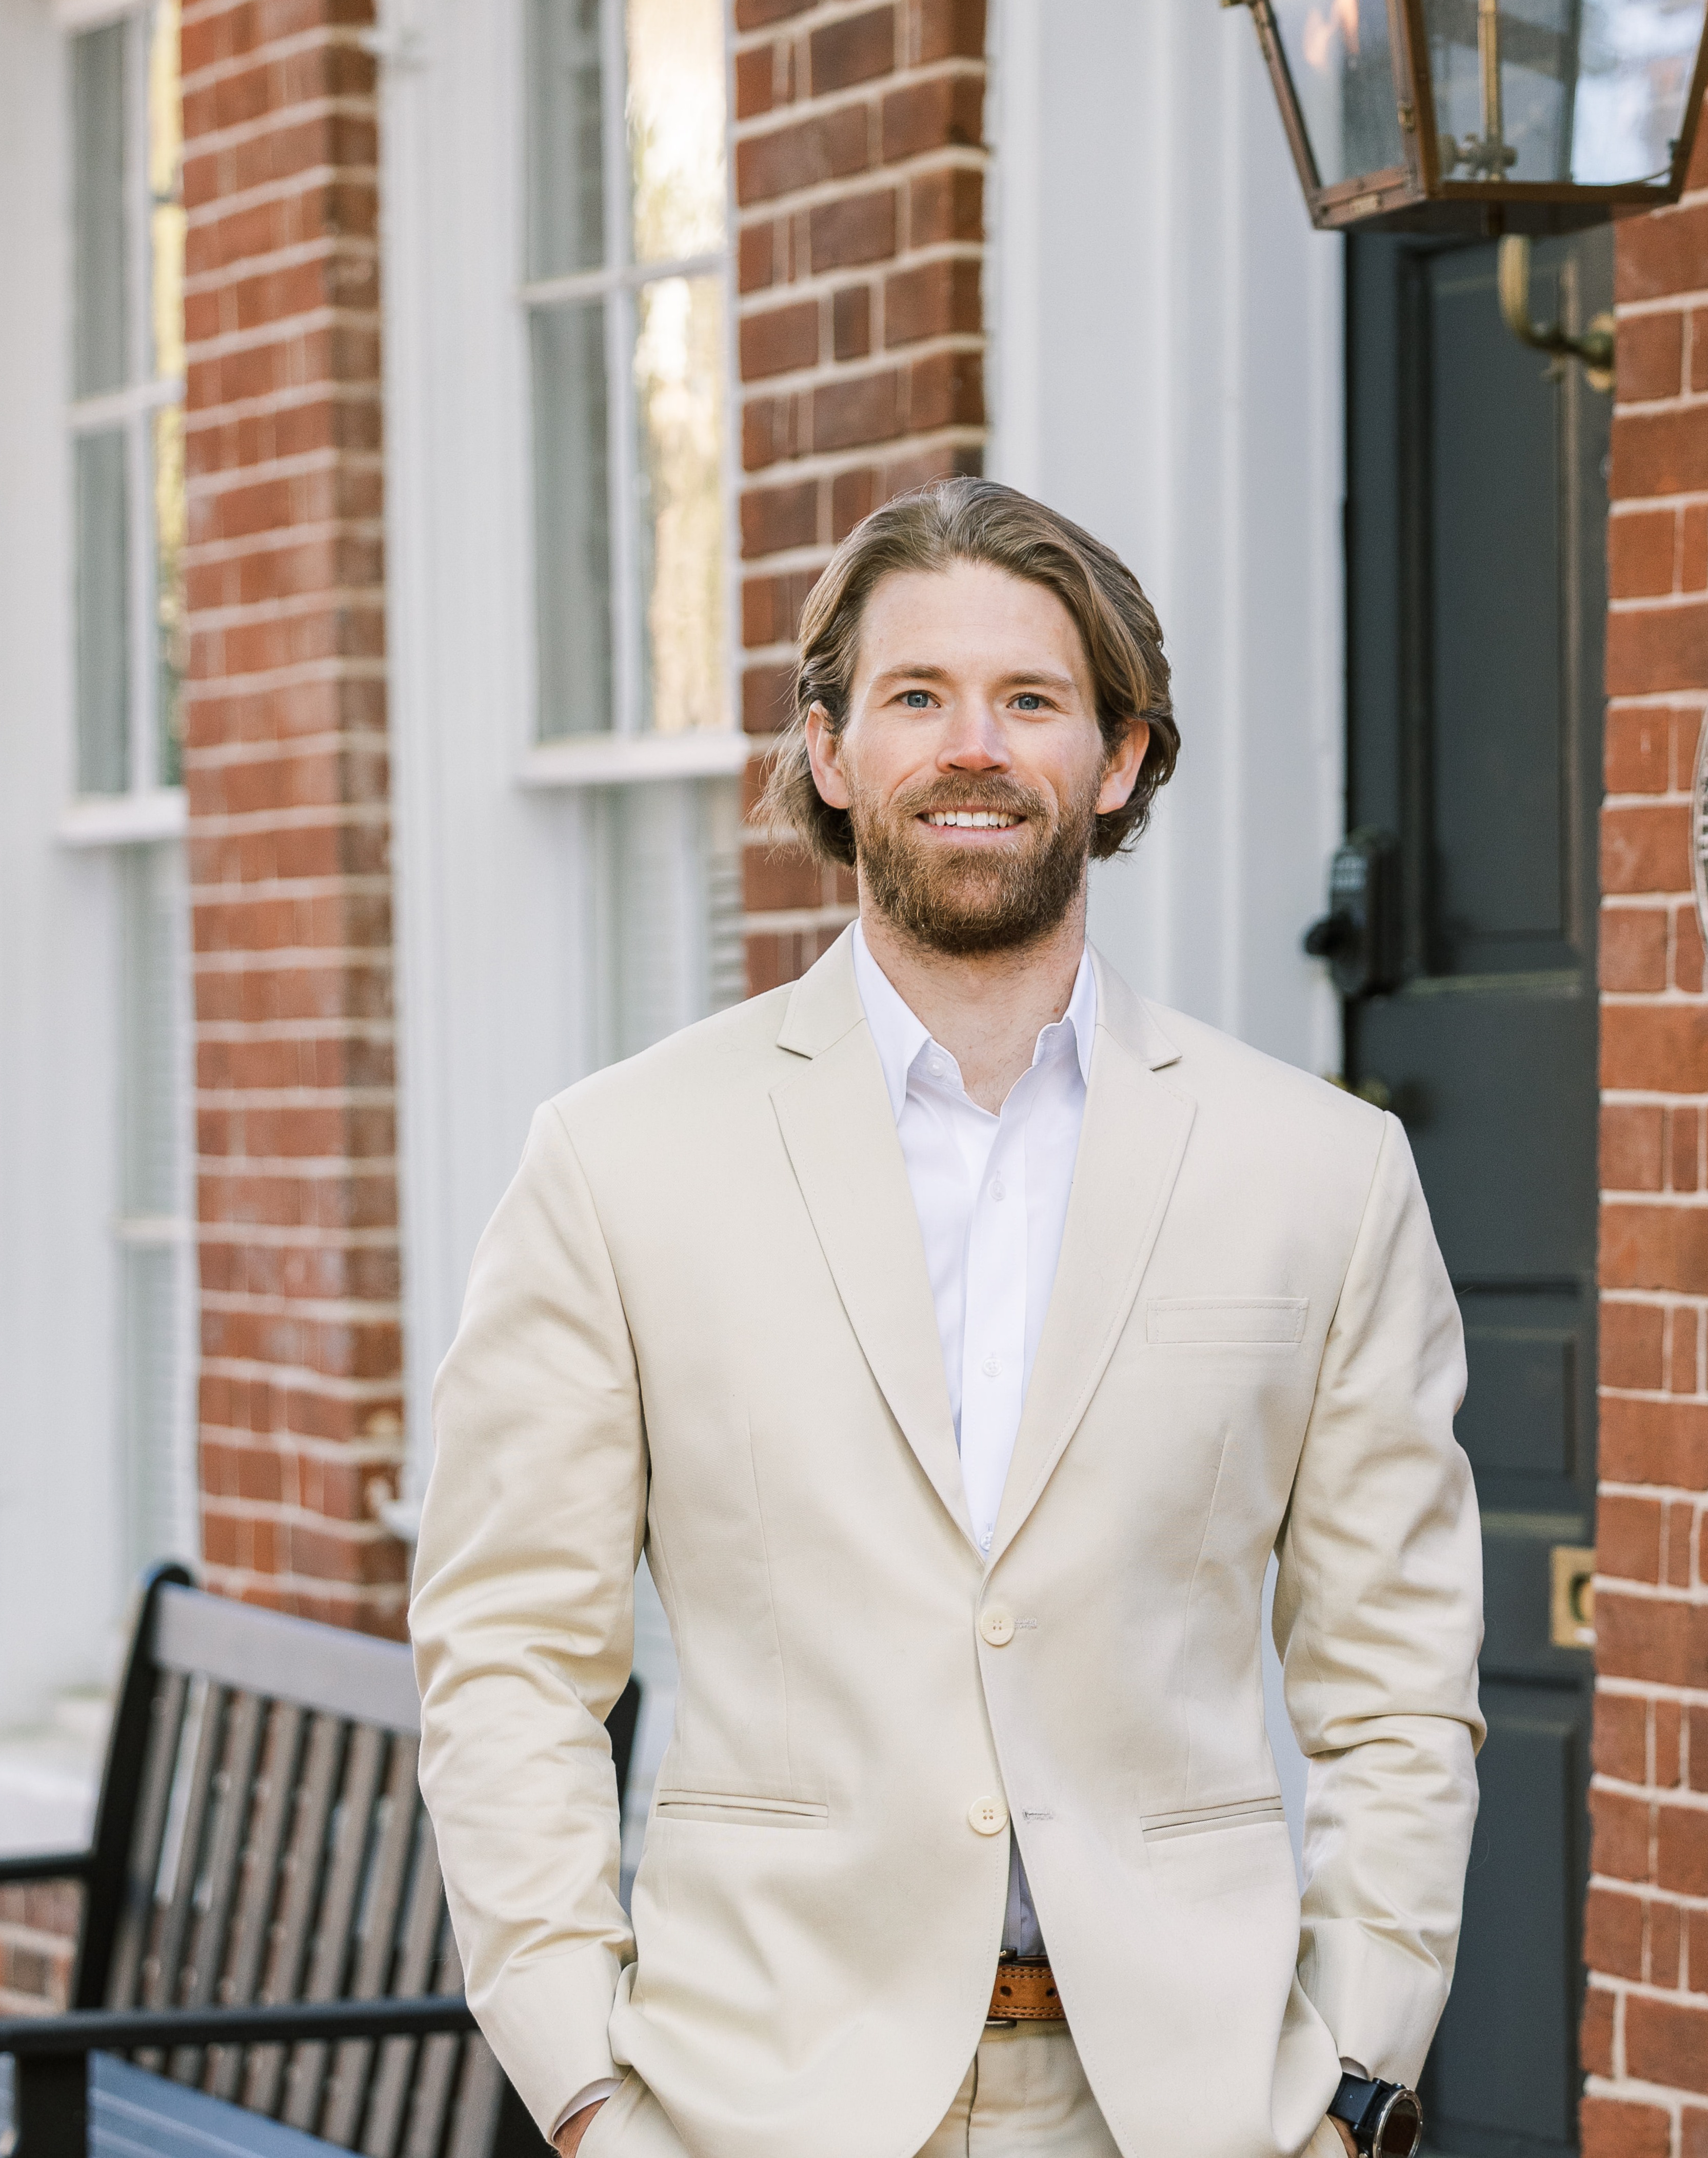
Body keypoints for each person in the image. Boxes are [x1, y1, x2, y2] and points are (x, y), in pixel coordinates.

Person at [410, 479, 1483, 2158]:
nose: (971, 748)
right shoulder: (617, 1162)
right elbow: (509, 1660)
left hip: (1191, 2112)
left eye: (1032, 700)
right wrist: (583, 2090)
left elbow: (1398, 1682)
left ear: (1120, 758)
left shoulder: (1322, 1175)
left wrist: (1352, 2084)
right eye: (918, 696)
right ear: (832, 751)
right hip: (746, 2103)